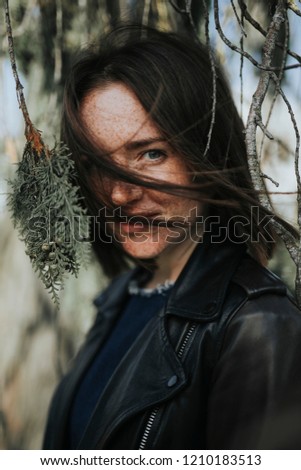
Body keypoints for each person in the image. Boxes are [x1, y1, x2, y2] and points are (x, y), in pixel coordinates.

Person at [43, 25, 301, 450]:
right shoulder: (122, 298)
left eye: (151, 154)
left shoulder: (257, 328)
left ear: (207, 153)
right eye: (96, 164)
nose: (119, 193)